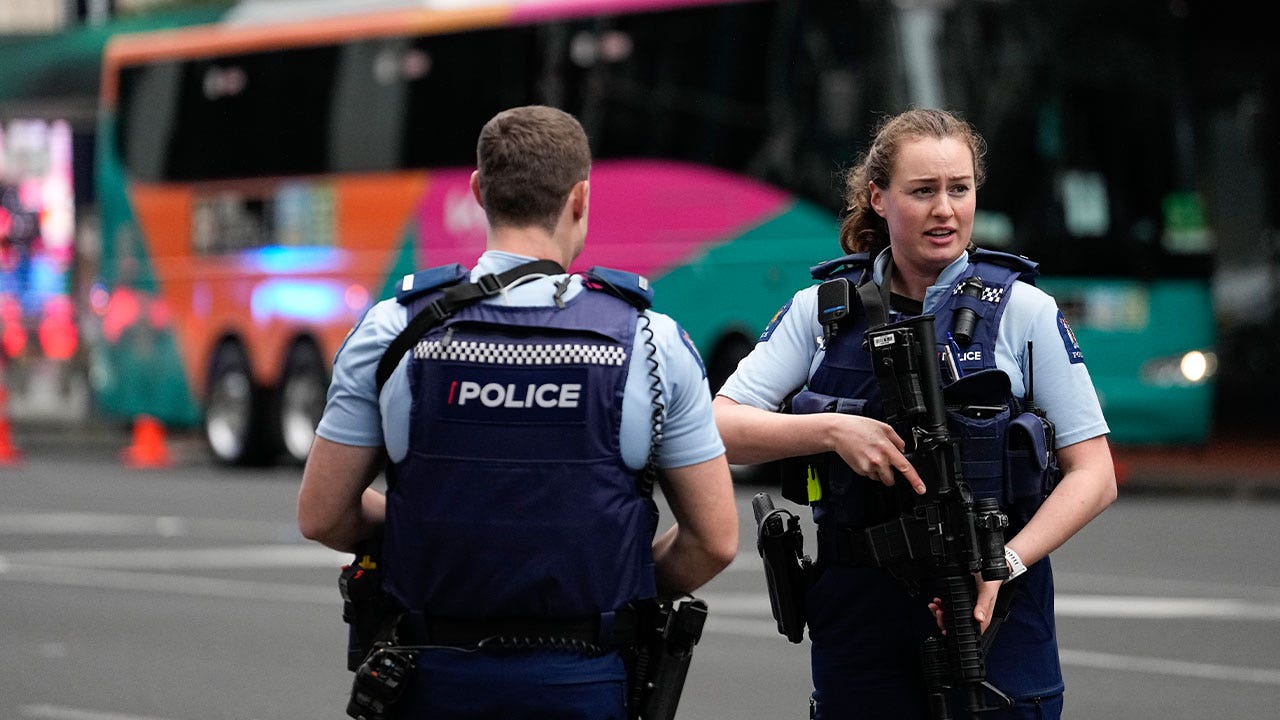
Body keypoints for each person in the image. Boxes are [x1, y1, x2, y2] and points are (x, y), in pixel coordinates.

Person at [298, 105, 738, 719]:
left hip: (430, 674)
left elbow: (323, 515)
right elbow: (714, 542)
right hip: (584, 678)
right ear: (580, 198)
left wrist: (433, 524)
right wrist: (612, 574)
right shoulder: (651, 343)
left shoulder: (392, 329)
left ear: (479, 192)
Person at [713, 108, 1117, 719]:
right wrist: (830, 430)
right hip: (860, 625)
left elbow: (1095, 473)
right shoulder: (822, 311)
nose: (945, 210)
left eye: (960, 189)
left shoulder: (1024, 310)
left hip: (994, 614)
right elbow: (720, 425)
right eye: (922, 191)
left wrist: (1003, 565)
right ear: (878, 198)